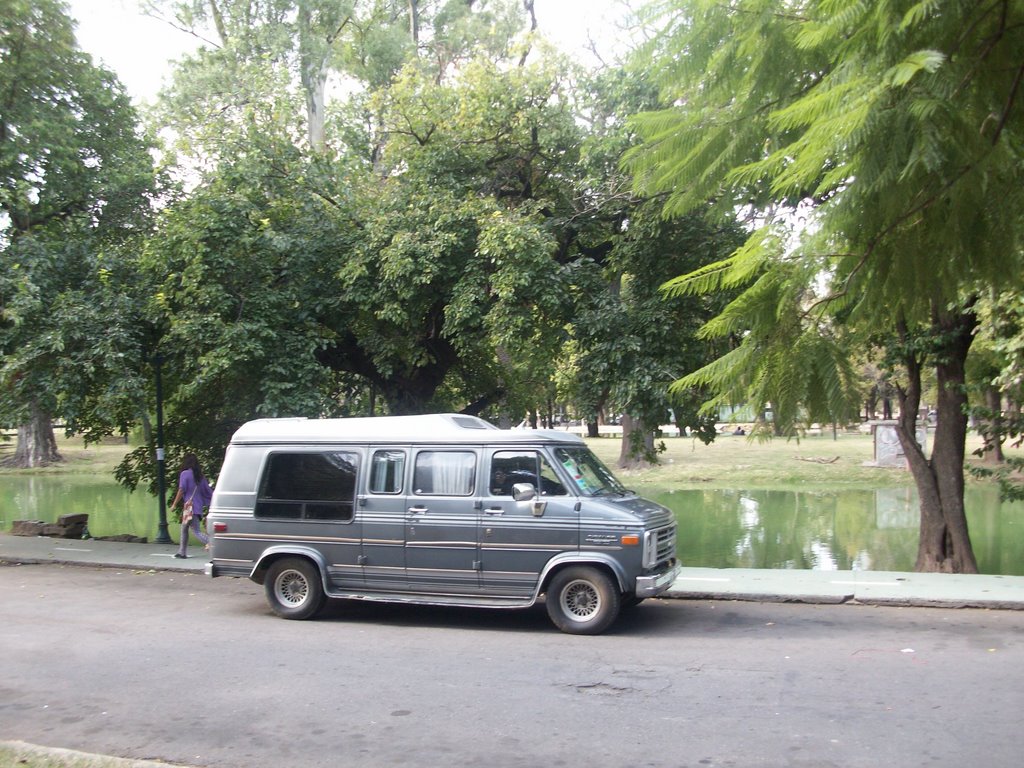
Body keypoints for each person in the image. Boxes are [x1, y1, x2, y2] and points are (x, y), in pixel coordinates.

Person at [170, 453, 213, 558]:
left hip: (189, 507)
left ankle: (213, 542)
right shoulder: (200, 476)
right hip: (197, 507)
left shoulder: (185, 474)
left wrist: (174, 504)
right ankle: (182, 552)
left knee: (195, 531)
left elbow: (181, 489)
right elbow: (208, 492)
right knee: (184, 528)